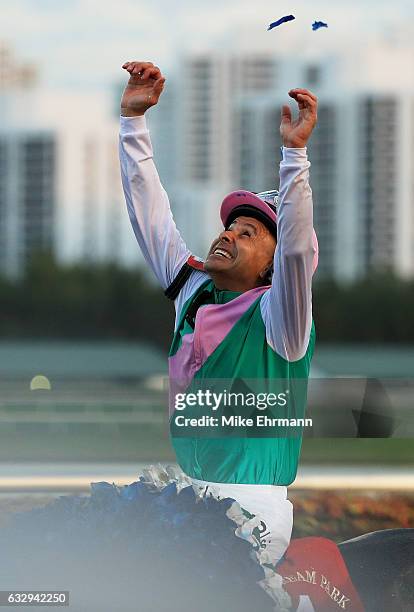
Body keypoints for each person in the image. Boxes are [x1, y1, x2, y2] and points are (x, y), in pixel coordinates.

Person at [119, 60, 319, 568]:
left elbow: (298, 251)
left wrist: (294, 156)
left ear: (271, 267)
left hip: (252, 507)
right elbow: (151, 215)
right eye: (229, 226)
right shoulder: (193, 292)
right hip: (189, 493)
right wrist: (133, 122)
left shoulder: (283, 322)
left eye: (247, 233)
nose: (227, 233)